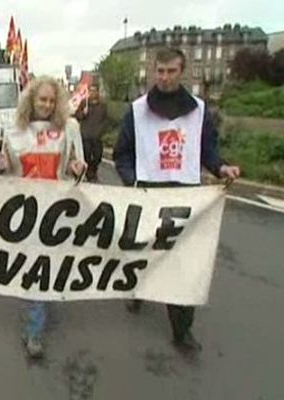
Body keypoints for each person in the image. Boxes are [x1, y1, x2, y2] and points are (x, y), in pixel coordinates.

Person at [113, 47, 240, 355]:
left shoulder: (198, 110)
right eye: (160, 71)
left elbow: (207, 149)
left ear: (181, 72)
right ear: (153, 72)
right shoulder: (137, 110)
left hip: (185, 196)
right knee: (144, 251)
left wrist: (221, 167)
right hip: (148, 194)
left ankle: (182, 330)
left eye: (171, 71)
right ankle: (139, 288)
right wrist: (133, 182)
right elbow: (122, 154)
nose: (165, 77)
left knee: (183, 262)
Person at [0, 76, 87, 358]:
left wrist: (77, 167)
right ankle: (35, 329)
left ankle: (38, 315)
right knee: (32, 270)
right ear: (31, 100)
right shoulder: (13, 131)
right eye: (41, 99)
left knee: (46, 268)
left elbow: (78, 171)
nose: (46, 105)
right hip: (23, 213)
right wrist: (1, 165)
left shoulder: (70, 128)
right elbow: (4, 173)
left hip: (56, 213)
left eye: (51, 100)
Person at [74, 85, 107, 182]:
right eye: (90, 91)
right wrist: (83, 113)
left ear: (97, 92)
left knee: (97, 156)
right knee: (87, 155)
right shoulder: (84, 103)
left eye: (94, 91)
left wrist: (101, 131)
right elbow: (77, 115)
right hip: (86, 135)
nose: (92, 93)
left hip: (97, 136)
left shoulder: (102, 105)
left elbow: (105, 120)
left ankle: (94, 171)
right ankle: (89, 174)